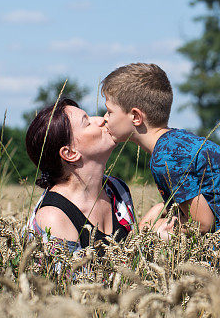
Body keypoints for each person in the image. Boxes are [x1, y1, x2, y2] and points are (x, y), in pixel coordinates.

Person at [101, 63, 220, 239]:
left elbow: (201, 224)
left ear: (136, 117)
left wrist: (151, 229)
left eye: (109, 111)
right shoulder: (177, 142)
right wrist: (159, 208)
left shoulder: (165, 158)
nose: (105, 118)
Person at [24, 97, 163, 253]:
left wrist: (149, 228)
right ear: (70, 153)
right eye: (87, 122)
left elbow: (126, 257)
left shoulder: (116, 189)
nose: (102, 119)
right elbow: (76, 277)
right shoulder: (54, 217)